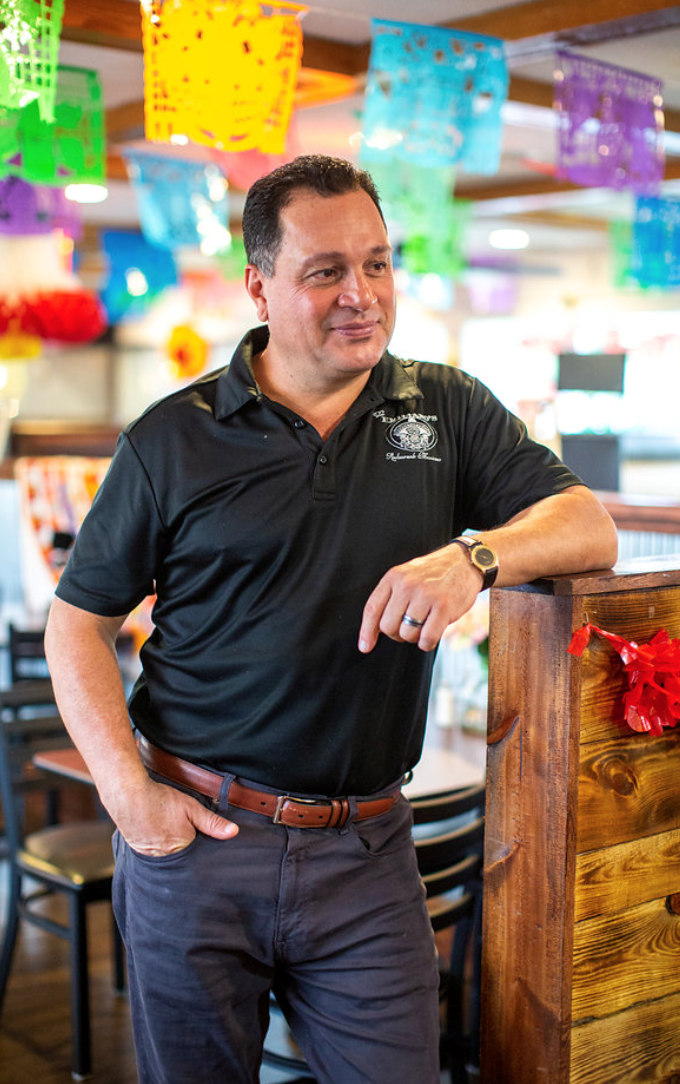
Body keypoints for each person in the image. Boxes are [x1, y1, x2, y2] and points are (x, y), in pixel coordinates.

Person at [45, 154, 617, 1084]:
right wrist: (127, 796)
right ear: (259, 287)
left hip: (368, 849)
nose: (362, 295)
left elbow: (587, 524)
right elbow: (76, 622)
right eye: (326, 272)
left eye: (377, 264)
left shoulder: (444, 407)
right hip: (198, 840)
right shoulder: (171, 436)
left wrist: (474, 557)